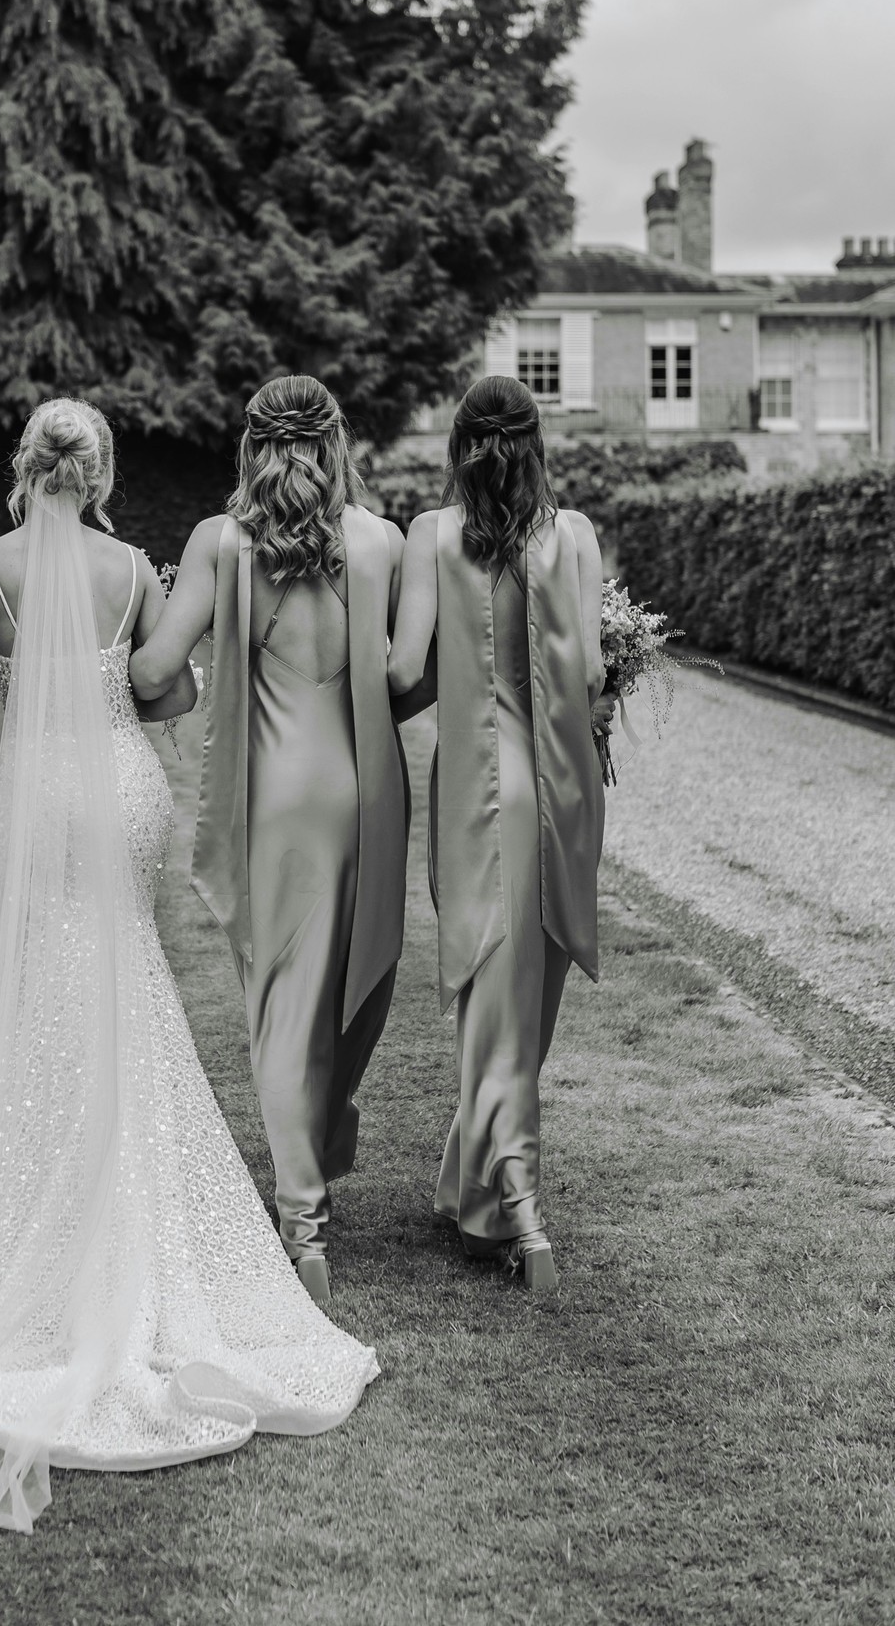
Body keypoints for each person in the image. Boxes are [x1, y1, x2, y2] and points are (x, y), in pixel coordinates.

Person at [0, 397, 378, 1562]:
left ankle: (35, 1220)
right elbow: (168, 690)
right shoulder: (134, 568)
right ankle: (125, 1219)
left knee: (45, 985)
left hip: (40, 792)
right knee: (122, 977)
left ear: (19, 468)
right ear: (97, 471)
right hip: (122, 786)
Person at [129, 375, 423, 1305]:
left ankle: (302, 1220)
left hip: (272, 803)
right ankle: (322, 1133)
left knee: (280, 1004)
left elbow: (150, 671)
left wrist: (110, 626)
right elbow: (408, 679)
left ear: (250, 447)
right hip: (365, 793)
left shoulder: (221, 546)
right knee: (358, 976)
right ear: (336, 443)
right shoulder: (382, 540)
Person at [387, 375, 610, 1293]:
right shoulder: (578, 536)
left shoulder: (430, 538)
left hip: (480, 796)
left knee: (493, 998)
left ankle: (515, 1203)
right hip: (562, 793)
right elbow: (590, 672)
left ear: (458, 445)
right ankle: (475, 1193)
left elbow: (405, 674)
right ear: (537, 443)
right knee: (525, 1002)